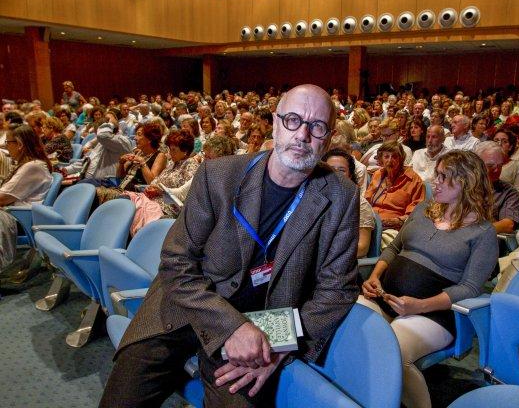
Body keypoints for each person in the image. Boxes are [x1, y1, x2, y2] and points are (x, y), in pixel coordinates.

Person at [99, 84, 360, 408]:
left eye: (317, 127)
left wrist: (281, 344)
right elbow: (176, 262)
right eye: (293, 120)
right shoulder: (218, 175)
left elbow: (338, 290)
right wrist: (230, 326)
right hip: (187, 307)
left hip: (263, 325)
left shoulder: (341, 195)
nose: (303, 135)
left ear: (329, 137)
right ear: (276, 123)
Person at [359, 150, 497, 408]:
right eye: (437, 175)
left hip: (432, 313)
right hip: (383, 296)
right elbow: (393, 248)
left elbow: (470, 288)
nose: (435, 182)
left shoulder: (482, 232)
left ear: (466, 182)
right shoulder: (424, 209)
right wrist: (375, 276)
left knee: (392, 352)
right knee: (347, 326)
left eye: (444, 177)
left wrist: (419, 306)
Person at [0, 125, 53, 269]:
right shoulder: (28, 165)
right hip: (13, 214)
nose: (6, 146)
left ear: (20, 145)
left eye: (8, 142)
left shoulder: (32, 167)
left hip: (18, 218)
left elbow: (3, 198)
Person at [364, 140, 425, 237]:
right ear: (381, 159)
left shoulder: (413, 180)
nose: (390, 160)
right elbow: (366, 202)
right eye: (386, 156)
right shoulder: (377, 174)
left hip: (393, 228)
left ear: (401, 159)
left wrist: (395, 221)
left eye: (395, 156)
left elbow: (414, 215)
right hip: (370, 223)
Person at [323, 148, 375, 258]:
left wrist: (326, 256)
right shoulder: (316, 198)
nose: (335, 174)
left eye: (341, 170)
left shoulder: (360, 205)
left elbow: (362, 248)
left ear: (350, 176)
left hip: (343, 263)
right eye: (330, 169)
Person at [475, 142, 519, 234]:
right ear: (476, 164)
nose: (496, 170)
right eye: (490, 166)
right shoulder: (462, 185)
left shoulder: (508, 191)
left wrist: (475, 233)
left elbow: (508, 225)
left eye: (500, 165)